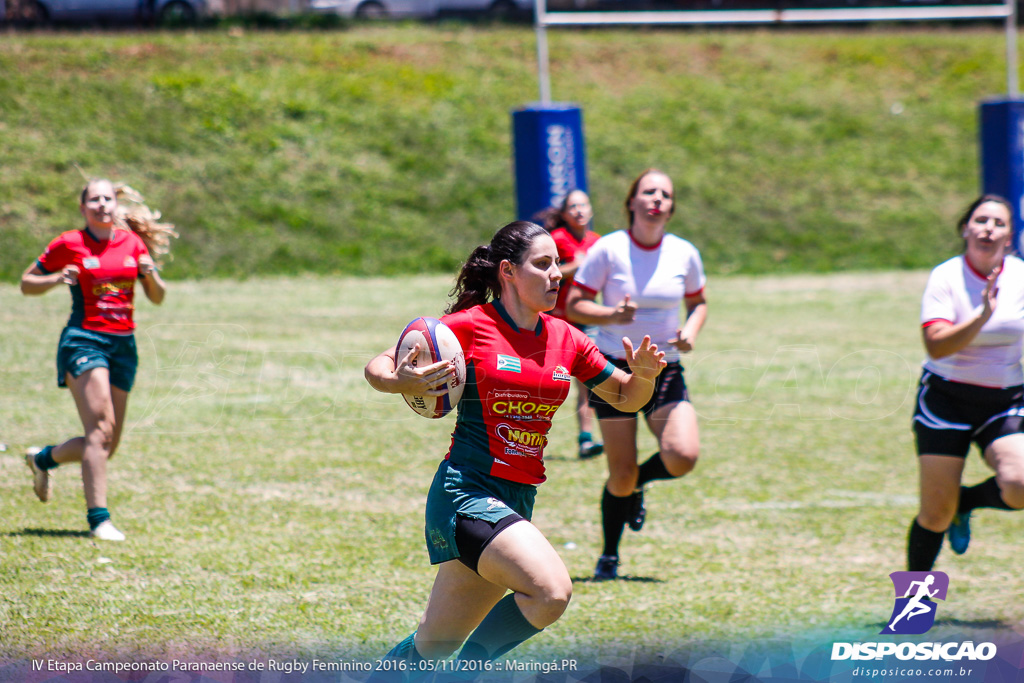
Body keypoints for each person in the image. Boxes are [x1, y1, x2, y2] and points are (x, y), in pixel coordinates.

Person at [364, 221, 666, 669]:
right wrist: (398, 379)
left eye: (557, 263)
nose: (556, 274)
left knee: (433, 645)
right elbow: (378, 366)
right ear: (508, 271)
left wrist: (643, 376)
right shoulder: (470, 326)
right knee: (550, 592)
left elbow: (625, 395)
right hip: (465, 494)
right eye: (542, 264)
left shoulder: (566, 337)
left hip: (516, 499)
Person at [566, 168, 707, 580]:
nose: (656, 199)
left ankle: (639, 484)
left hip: (664, 367)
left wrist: (690, 331)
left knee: (682, 456)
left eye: (665, 193)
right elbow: (575, 303)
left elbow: (699, 302)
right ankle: (609, 555)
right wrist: (611, 314)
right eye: (648, 191)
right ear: (631, 202)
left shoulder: (684, 252)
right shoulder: (609, 250)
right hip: (613, 370)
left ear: (671, 207)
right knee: (620, 473)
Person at [21, 179, 176, 542]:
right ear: (83, 207)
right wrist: (58, 278)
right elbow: (27, 283)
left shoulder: (131, 243)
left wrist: (148, 270)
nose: (102, 204)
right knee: (99, 431)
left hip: (124, 345)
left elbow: (158, 297)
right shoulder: (68, 243)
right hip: (84, 340)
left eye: (107, 198)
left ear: (115, 204)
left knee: (107, 445)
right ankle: (99, 520)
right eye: (94, 199)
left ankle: (43, 459)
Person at [907, 194, 1024, 571]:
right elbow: (936, 346)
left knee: (1020, 484)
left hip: (1004, 400)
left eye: (999, 223)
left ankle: (967, 502)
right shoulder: (946, 276)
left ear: (1009, 237)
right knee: (936, 513)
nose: (988, 228)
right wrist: (981, 315)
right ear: (965, 228)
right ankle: (913, 610)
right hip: (946, 399)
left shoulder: (1021, 278)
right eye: (981, 220)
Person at [543, 189, 605, 459]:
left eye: (583, 205)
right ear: (565, 214)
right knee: (547, 381)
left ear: (591, 210)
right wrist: (575, 266)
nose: (579, 210)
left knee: (586, 382)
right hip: (557, 322)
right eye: (573, 206)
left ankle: (586, 440)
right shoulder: (557, 239)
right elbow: (546, 271)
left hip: (586, 322)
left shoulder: (598, 242)